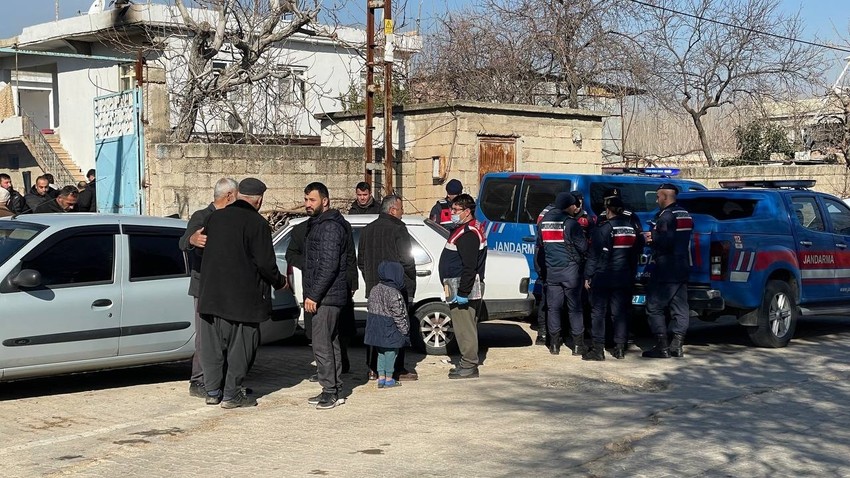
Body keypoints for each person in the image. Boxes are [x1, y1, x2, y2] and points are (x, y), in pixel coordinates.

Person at [197, 178, 286, 408]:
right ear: (259, 200)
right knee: (241, 348)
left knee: (212, 348)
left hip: (211, 296)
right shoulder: (257, 224)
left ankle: (212, 391)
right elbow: (266, 264)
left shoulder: (215, 218)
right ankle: (231, 394)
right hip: (243, 300)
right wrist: (280, 282)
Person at [178, 178, 238, 398]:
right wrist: (192, 239)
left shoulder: (232, 219)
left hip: (224, 286)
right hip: (204, 286)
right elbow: (183, 242)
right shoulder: (201, 216)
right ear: (230, 195)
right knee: (205, 337)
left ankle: (220, 381)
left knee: (223, 336)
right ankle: (199, 381)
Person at [358, 195, 417, 381]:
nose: (402, 212)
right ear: (392, 210)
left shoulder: (367, 230)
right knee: (397, 326)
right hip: (395, 289)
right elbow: (407, 260)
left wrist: (370, 280)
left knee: (375, 326)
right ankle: (396, 369)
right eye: (401, 209)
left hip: (374, 288)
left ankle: (373, 369)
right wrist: (409, 281)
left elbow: (361, 261)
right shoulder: (399, 229)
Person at [303, 182, 350, 410]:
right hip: (327, 295)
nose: (308, 204)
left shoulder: (330, 227)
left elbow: (328, 266)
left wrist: (314, 295)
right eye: (306, 200)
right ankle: (336, 389)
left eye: (312, 200)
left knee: (322, 345)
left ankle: (329, 391)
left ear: (325, 200)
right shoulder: (319, 224)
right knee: (331, 343)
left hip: (327, 296)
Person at [583, 197, 643, 361]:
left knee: (598, 313)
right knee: (620, 313)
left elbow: (593, 256)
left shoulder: (604, 229)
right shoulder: (632, 228)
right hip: (623, 275)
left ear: (608, 209)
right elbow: (636, 251)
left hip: (604, 275)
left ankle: (598, 349)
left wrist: (587, 276)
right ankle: (620, 348)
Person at [438, 193, 487, 379]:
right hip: (458, 284)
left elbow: (469, 266)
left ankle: (469, 365)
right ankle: (467, 363)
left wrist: (463, 292)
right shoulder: (465, 229)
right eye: (452, 209)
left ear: (467, 212)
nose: (452, 212)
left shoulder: (468, 234)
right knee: (464, 327)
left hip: (462, 286)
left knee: (464, 328)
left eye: (456, 210)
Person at [642, 183, 693, 359]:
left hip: (666, 267)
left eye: (657, 197)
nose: (656, 200)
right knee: (680, 307)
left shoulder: (666, 216)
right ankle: (677, 345)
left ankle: (662, 346)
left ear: (664, 196)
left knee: (654, 307)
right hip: (682, 265)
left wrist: (651, 238)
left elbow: (665, 240)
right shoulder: (685, 213)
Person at [538, 192, 587, 355]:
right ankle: (578, 345)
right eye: (574, 205)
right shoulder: (571, 223)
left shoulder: (544, 223)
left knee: (553, 308)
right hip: (571, 271)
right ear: (568, 205)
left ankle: (554, 345)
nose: (576, 208)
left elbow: (541, 246)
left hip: (552, 271)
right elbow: (583, 247)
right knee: (575, 309)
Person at [364, 261, 410, 389]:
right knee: (391, 353)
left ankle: (381, 377)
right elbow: (399, 314)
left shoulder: (374, 289)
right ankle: (389, 378)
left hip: (376, 328)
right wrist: (404, 330)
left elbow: (369, 306)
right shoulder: (394, 292)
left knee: (381, 353)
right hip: (390, 329)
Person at [533, 200, 556, 346]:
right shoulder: (552, 215)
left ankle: (548, 333)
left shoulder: (547, 213)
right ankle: (543, 332)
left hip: (552, 265)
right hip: (550, 265)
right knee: (547, 300)